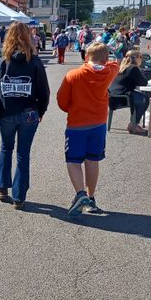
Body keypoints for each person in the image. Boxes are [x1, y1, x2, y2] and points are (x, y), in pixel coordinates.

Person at [0, 22, 50, 210]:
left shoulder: (2, 63)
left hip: (7, 114)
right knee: (23, 154)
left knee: (6, 148)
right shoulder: (35, 62)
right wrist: (41, 110)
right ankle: (19, 196)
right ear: (28, 37)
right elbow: (44, 91)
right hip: (29, 114)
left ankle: (2, 187)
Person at [57, 42, 120, 216]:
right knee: (93, 161)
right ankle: (91, 198)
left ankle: (80, 194)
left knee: (73, 161)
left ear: (86, 57)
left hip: (77, 123)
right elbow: (116, 63)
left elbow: (62, 101)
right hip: (98, 123)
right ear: (106, 58)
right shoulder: (110, 71)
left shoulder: (73, 75)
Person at [109, 50, 149, 134]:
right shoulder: (133, 68)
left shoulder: (122, 67)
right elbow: (144, 83)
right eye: (140, 57)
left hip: (112, 96)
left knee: (140, 97)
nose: (141, 59)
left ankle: (133, 123)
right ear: (135, 58)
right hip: (123, 98)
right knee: (144, 100)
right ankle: (134, 124)